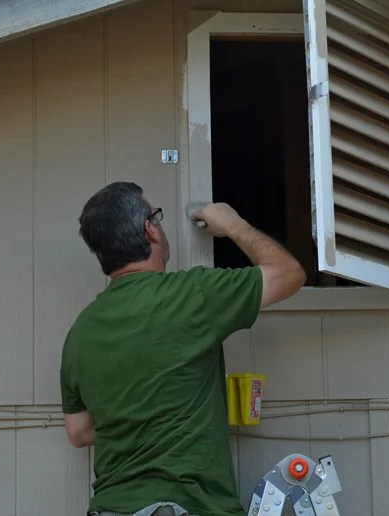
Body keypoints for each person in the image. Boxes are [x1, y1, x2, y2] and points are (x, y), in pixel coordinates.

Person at [60, 182, 306, 516]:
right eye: (156, 217)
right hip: (192, 507)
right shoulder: (193, 294)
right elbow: (289, 274)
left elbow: (79, 432)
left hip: (112, 509)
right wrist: (232, 224)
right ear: (151, 230)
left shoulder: (80, 332)